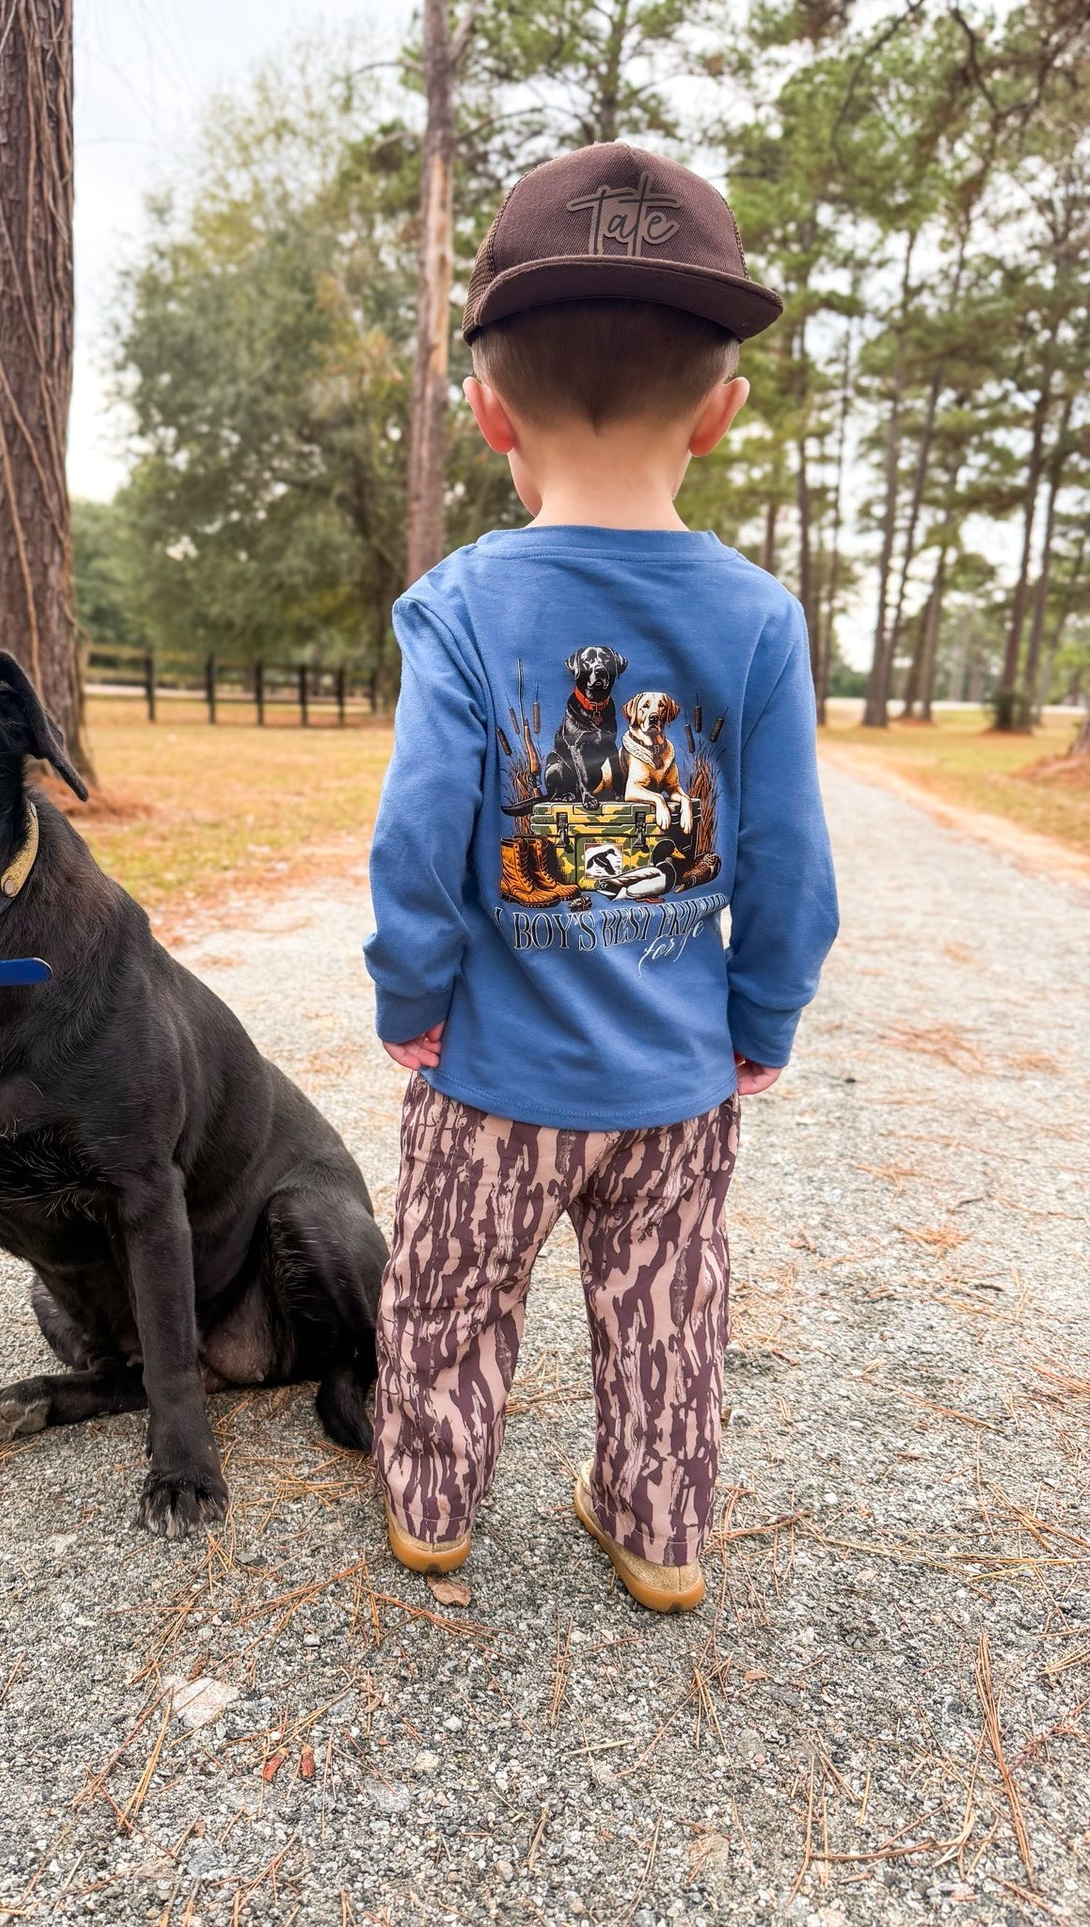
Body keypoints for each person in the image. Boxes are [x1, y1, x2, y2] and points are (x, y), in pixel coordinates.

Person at [364, 142, 839, 1613]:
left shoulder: (458, 606)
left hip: (490, 1080)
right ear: (721, 412)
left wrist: (412, 999)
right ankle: (655, 1530)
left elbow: (418, 836)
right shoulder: (757, 620)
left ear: (487, 409)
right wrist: (756, 1023)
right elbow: (790, 868)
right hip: (674, 1090)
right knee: (665, 1316)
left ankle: (434, 1505)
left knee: (446, 1300)